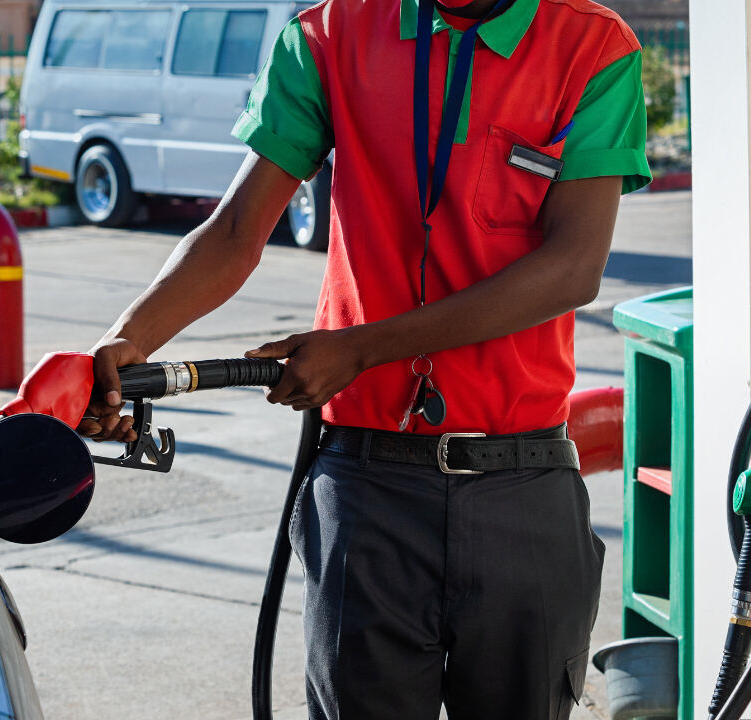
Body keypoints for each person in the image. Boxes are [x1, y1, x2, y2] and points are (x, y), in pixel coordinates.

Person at [78, 0, 651, 717]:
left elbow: (573, 269)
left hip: (521, 485)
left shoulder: (592, 46)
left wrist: (361, 349)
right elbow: (234, 233)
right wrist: (129, 340)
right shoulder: (330, 33)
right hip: (367, 489)